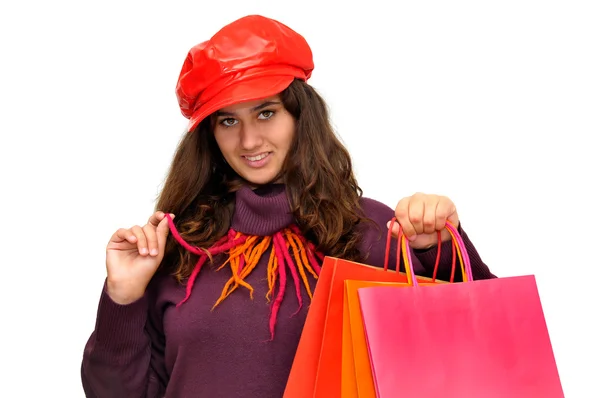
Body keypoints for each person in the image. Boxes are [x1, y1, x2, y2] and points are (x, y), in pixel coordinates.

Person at [81, 14, 496, 398]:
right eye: (228, 121)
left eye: (265, 113)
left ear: (301, 115)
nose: (248, 141)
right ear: (209, 135)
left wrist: (438, 246)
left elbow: (486, 343)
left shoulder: (374, 230)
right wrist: (122, 298)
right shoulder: (176, 249)